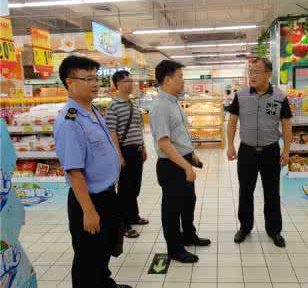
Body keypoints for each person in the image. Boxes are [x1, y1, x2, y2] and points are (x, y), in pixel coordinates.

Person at [54, 56, 130, 288]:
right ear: (69, 82)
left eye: (96, 78)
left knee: (104, 249)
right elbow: (74, 171)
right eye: (87, 78)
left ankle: (105, 283)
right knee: (88, 257)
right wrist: (88, 211)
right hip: (88, 200)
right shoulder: (70, 120)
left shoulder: (94, 110)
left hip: (107, 195)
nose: (95, 83)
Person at [227, 57, 293, 247]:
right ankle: (245, 227)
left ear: (268, 73)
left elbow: (287, 124)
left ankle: (274, 230)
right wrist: (230, 145)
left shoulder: (280, 97)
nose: (252, 76)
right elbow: (232, 121)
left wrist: (287, 150)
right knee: (245, 191)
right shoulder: (241, 95)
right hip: (246, 150)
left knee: (272, 192)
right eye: (250, 71)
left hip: (270, 150)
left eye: (256, 71)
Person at [150, 60, 211, 263]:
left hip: (182, 160)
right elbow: (165, 143)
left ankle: (188, 236)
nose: (182, 81)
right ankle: (175, 249)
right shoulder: (160, 106)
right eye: (180, 77)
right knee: (172, 209)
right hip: (171, 165)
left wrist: (191, 155)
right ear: (168, 79)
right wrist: (186, 167)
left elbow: (179, 134)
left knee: (188, 202)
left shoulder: (173, 102)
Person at [105, 70, 149, 239]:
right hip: (124, 151)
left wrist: (143, 146)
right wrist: (119, 155)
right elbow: (112, 132)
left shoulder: (132, 104)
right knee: (125, 190)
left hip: (136, 150)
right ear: (116, 85)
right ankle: (123, 225)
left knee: (135, 187)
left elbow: (138, 128)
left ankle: (133, 216)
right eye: (125, 81)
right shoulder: (113, 106)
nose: (130, 83)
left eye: (131, 80)